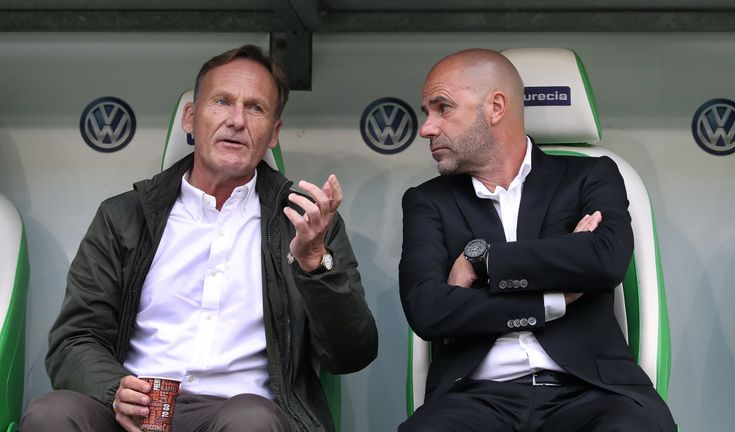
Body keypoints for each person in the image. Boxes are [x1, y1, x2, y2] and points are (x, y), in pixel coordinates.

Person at [22, 44, 378, 432]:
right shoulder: (124, 216)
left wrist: (314, 263)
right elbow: (75, 339)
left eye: (255, 108)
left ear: (273, 133)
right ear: (191, 119)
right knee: (50, 414)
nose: (237, 121)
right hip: (136, 410)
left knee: (250, 420)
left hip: (239, 413)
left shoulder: (305, 223)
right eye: (222, 102)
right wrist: (114, 390)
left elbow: (350, 354)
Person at [398, 48, 675, 431]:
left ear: (495, 107)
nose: (426, 128)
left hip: (592, 393)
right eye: (426, 112)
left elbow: (604, 259)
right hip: (475, 398)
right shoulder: (428, 201)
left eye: (442, 108)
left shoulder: (591, 176)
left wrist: (484, 261)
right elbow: (428, 309)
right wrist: (553, 299)